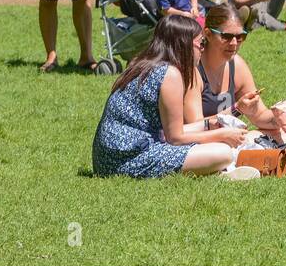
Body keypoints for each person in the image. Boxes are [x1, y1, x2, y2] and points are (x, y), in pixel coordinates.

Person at [92, 15, 247, 178]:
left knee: (216, 147)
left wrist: (209, 124)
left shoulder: (145, 64)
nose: (203, 48)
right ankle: (218, 171)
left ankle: (215, 171)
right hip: (128, 159)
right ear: (184, 45)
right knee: (222, 152)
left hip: (109, 158)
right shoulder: (170, 74)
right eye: (200, 43)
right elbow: (175, 138)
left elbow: (171, 131)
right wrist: (222, 135)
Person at [187, 3, 286, 155]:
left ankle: (260, 157)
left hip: (232, 141)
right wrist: (237, 109)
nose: (234, 43)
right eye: (226, 36)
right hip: (203, 144)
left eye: (240, 36)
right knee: (246, 142)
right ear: (208, 34)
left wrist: (281, 118)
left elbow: (260, 116)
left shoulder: (237, 66)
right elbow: (194, 127)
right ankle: (267, 157)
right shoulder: (194, 69)